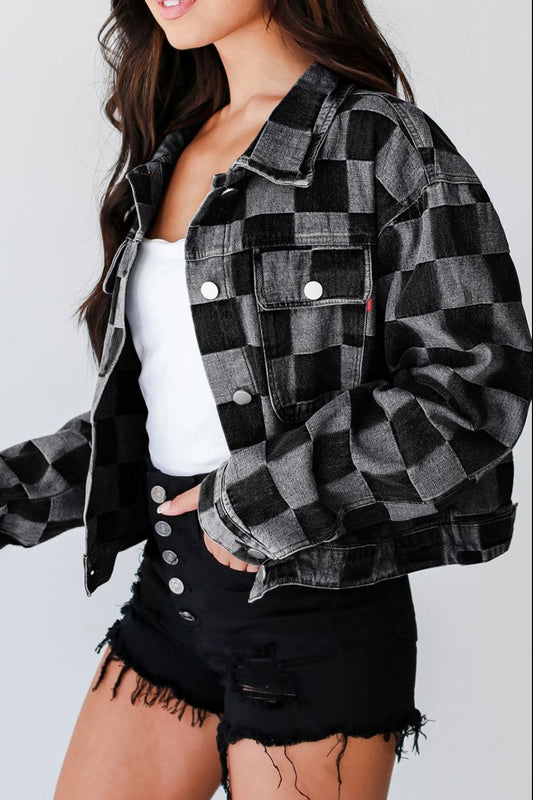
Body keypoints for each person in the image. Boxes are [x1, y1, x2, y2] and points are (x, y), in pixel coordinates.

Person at [1, 1, 531, 799]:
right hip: (169, 608)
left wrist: (250, 502)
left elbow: (472, 390)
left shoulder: (381, 142)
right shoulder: (174, 146)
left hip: (318, 618)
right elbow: (156, 426)